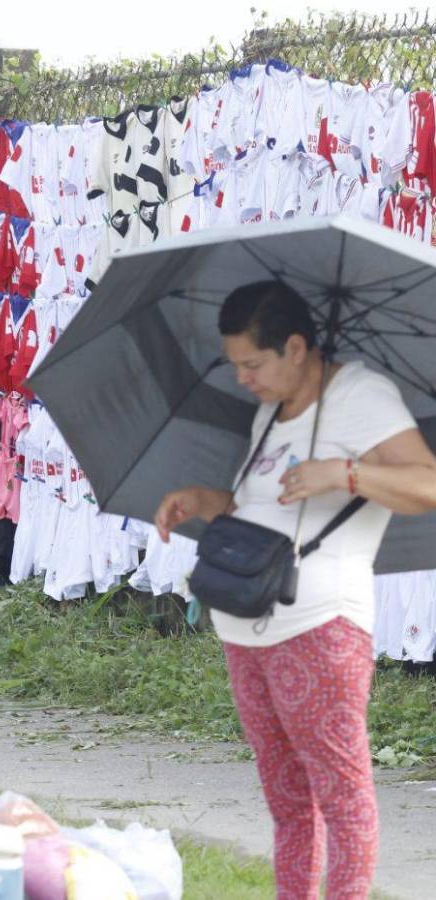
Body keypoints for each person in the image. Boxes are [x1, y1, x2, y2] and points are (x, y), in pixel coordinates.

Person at [153, 281, 436, 899]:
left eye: (253, 364)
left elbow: (429, 482)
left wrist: (348, 471)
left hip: (320, 627)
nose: (244, 378)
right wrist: (208, 502)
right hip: (245, 628)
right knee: (286, 801)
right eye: (236, 366)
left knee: (342, 795)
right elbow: (266, 510)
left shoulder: (361, 396)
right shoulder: (268, 413)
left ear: (297, 347)